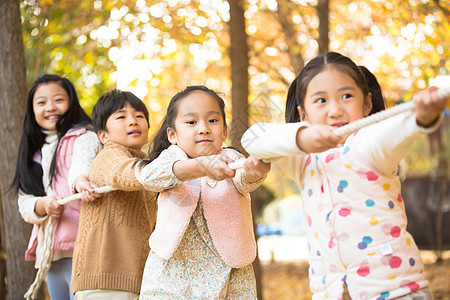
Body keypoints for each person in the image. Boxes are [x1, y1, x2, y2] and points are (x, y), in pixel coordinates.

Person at [242, 52, 447, 300]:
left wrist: (423, 115)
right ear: (303, 114)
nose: (335, 110)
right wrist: (303, 137)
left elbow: (401, 127)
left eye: (346, 96)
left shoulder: (369, 144)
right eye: (321, 101)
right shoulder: (301, 159)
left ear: (367, 104)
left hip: (397, 291)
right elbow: (252, 137)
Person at [134, 85, 271, 299]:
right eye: (191, 122)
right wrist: (201, 166)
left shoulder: (231, 159)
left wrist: (256, 171)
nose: (204, 128)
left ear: (224, 131)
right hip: (172, 271)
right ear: (172, 134)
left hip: (227, 270)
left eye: (213, 120)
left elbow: (245, 180)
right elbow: (149, 177)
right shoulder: (172, 158)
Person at [11, 74, 102, 300]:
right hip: (51, 252)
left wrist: (80, 182)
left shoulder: (84, 136)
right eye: (41, 102)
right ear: (32, 109)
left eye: (59, 100)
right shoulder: (33, 151)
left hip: (83, 246)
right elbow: (24, 201)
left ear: (71, 103)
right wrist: (42, 204)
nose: (50, 107)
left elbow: (82, 165)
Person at [71, 89, 157, 299]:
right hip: (104, 278)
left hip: (136, 278)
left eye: (139, 116)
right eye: (121, 116)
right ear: (103, 135)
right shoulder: (109, 155)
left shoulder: (147, 163)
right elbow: (124, 174)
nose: (133, 121)